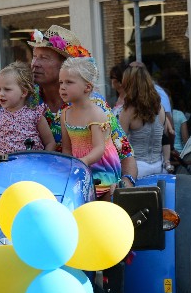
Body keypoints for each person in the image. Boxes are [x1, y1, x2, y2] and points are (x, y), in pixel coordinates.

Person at [27, 25, 137, 187]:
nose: (35, 63)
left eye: (44, 57)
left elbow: (125, 152)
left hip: (93, 188)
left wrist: (126, 185)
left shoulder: (93, 104)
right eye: (34, 56)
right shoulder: (26, 99)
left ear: (66, 65)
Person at [59, 57, 121, 199]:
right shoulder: (65, 114)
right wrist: (69, 166)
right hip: (81, 166)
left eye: (69, 82)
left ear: (87, 87)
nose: (62, 87)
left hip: (101, 167)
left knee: (103, 201)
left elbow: (99, 148)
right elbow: (67, 147)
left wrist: (84, 161)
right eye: (61, 82)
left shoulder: (96, 114)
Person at [0, 61, 55, 158]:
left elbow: (50, 143)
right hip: (5, 166)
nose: (1, 94)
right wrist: (2, 157)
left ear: (24, 92)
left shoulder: (35, 115)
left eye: (7, 89)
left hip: (32, 167)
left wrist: (43, 160)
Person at [118, 64, 167, 178]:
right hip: (159, 166)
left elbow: (120, 145)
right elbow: (165, 135)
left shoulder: (127, 112)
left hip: (136, 168)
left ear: (129, 85)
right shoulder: (160, 108)